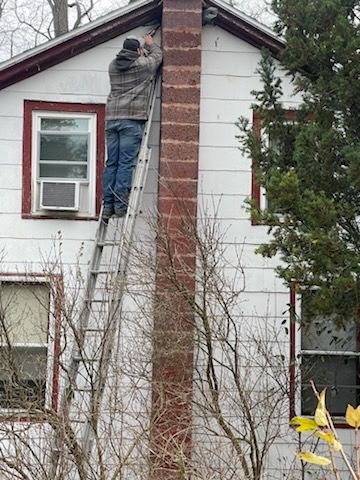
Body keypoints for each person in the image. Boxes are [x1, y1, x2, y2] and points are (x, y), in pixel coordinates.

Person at [102, 34, 162, 220]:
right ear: (137, 51)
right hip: (131, 120)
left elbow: (130, 61)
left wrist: (139, 53)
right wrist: (150, 45)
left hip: (112, 119)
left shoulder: (112, 65)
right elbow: (157, 56)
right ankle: (120, 206)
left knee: (112, 163)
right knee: (125, 164)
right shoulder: (141, 65)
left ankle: (107, 205)